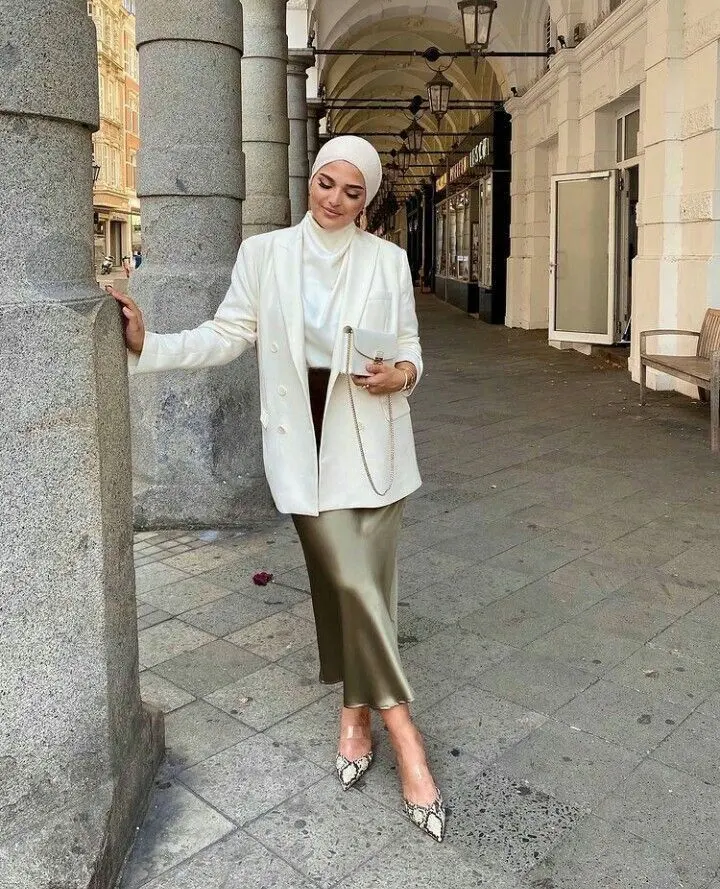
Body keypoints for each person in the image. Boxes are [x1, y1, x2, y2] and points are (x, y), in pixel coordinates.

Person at [110, 135, 446, 842]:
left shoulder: (386, 260)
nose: (334, 200)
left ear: (367, 199)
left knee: (366, 590)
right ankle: (405, 733)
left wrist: (403, 375)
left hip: (376, 448)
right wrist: (150, 343)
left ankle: (355, 714)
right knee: (351, 584)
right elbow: (227, 333)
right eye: (326, 183)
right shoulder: (264, 255)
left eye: (352, 191)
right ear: (312, 179)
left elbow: (411, 346)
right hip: (304, 451)